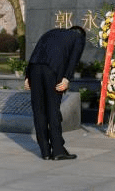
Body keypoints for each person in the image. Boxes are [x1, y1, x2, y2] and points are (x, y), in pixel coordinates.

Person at [25, 26, 86, 160]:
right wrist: (67, 78)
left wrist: (27, 76)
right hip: (52, 71)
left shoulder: (50, 32)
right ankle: (58, 150)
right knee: (53, 110)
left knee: (39, 110)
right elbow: (73, 59)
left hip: (34, 69)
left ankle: (45, 152)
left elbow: (36, 51)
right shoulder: (78, 38)